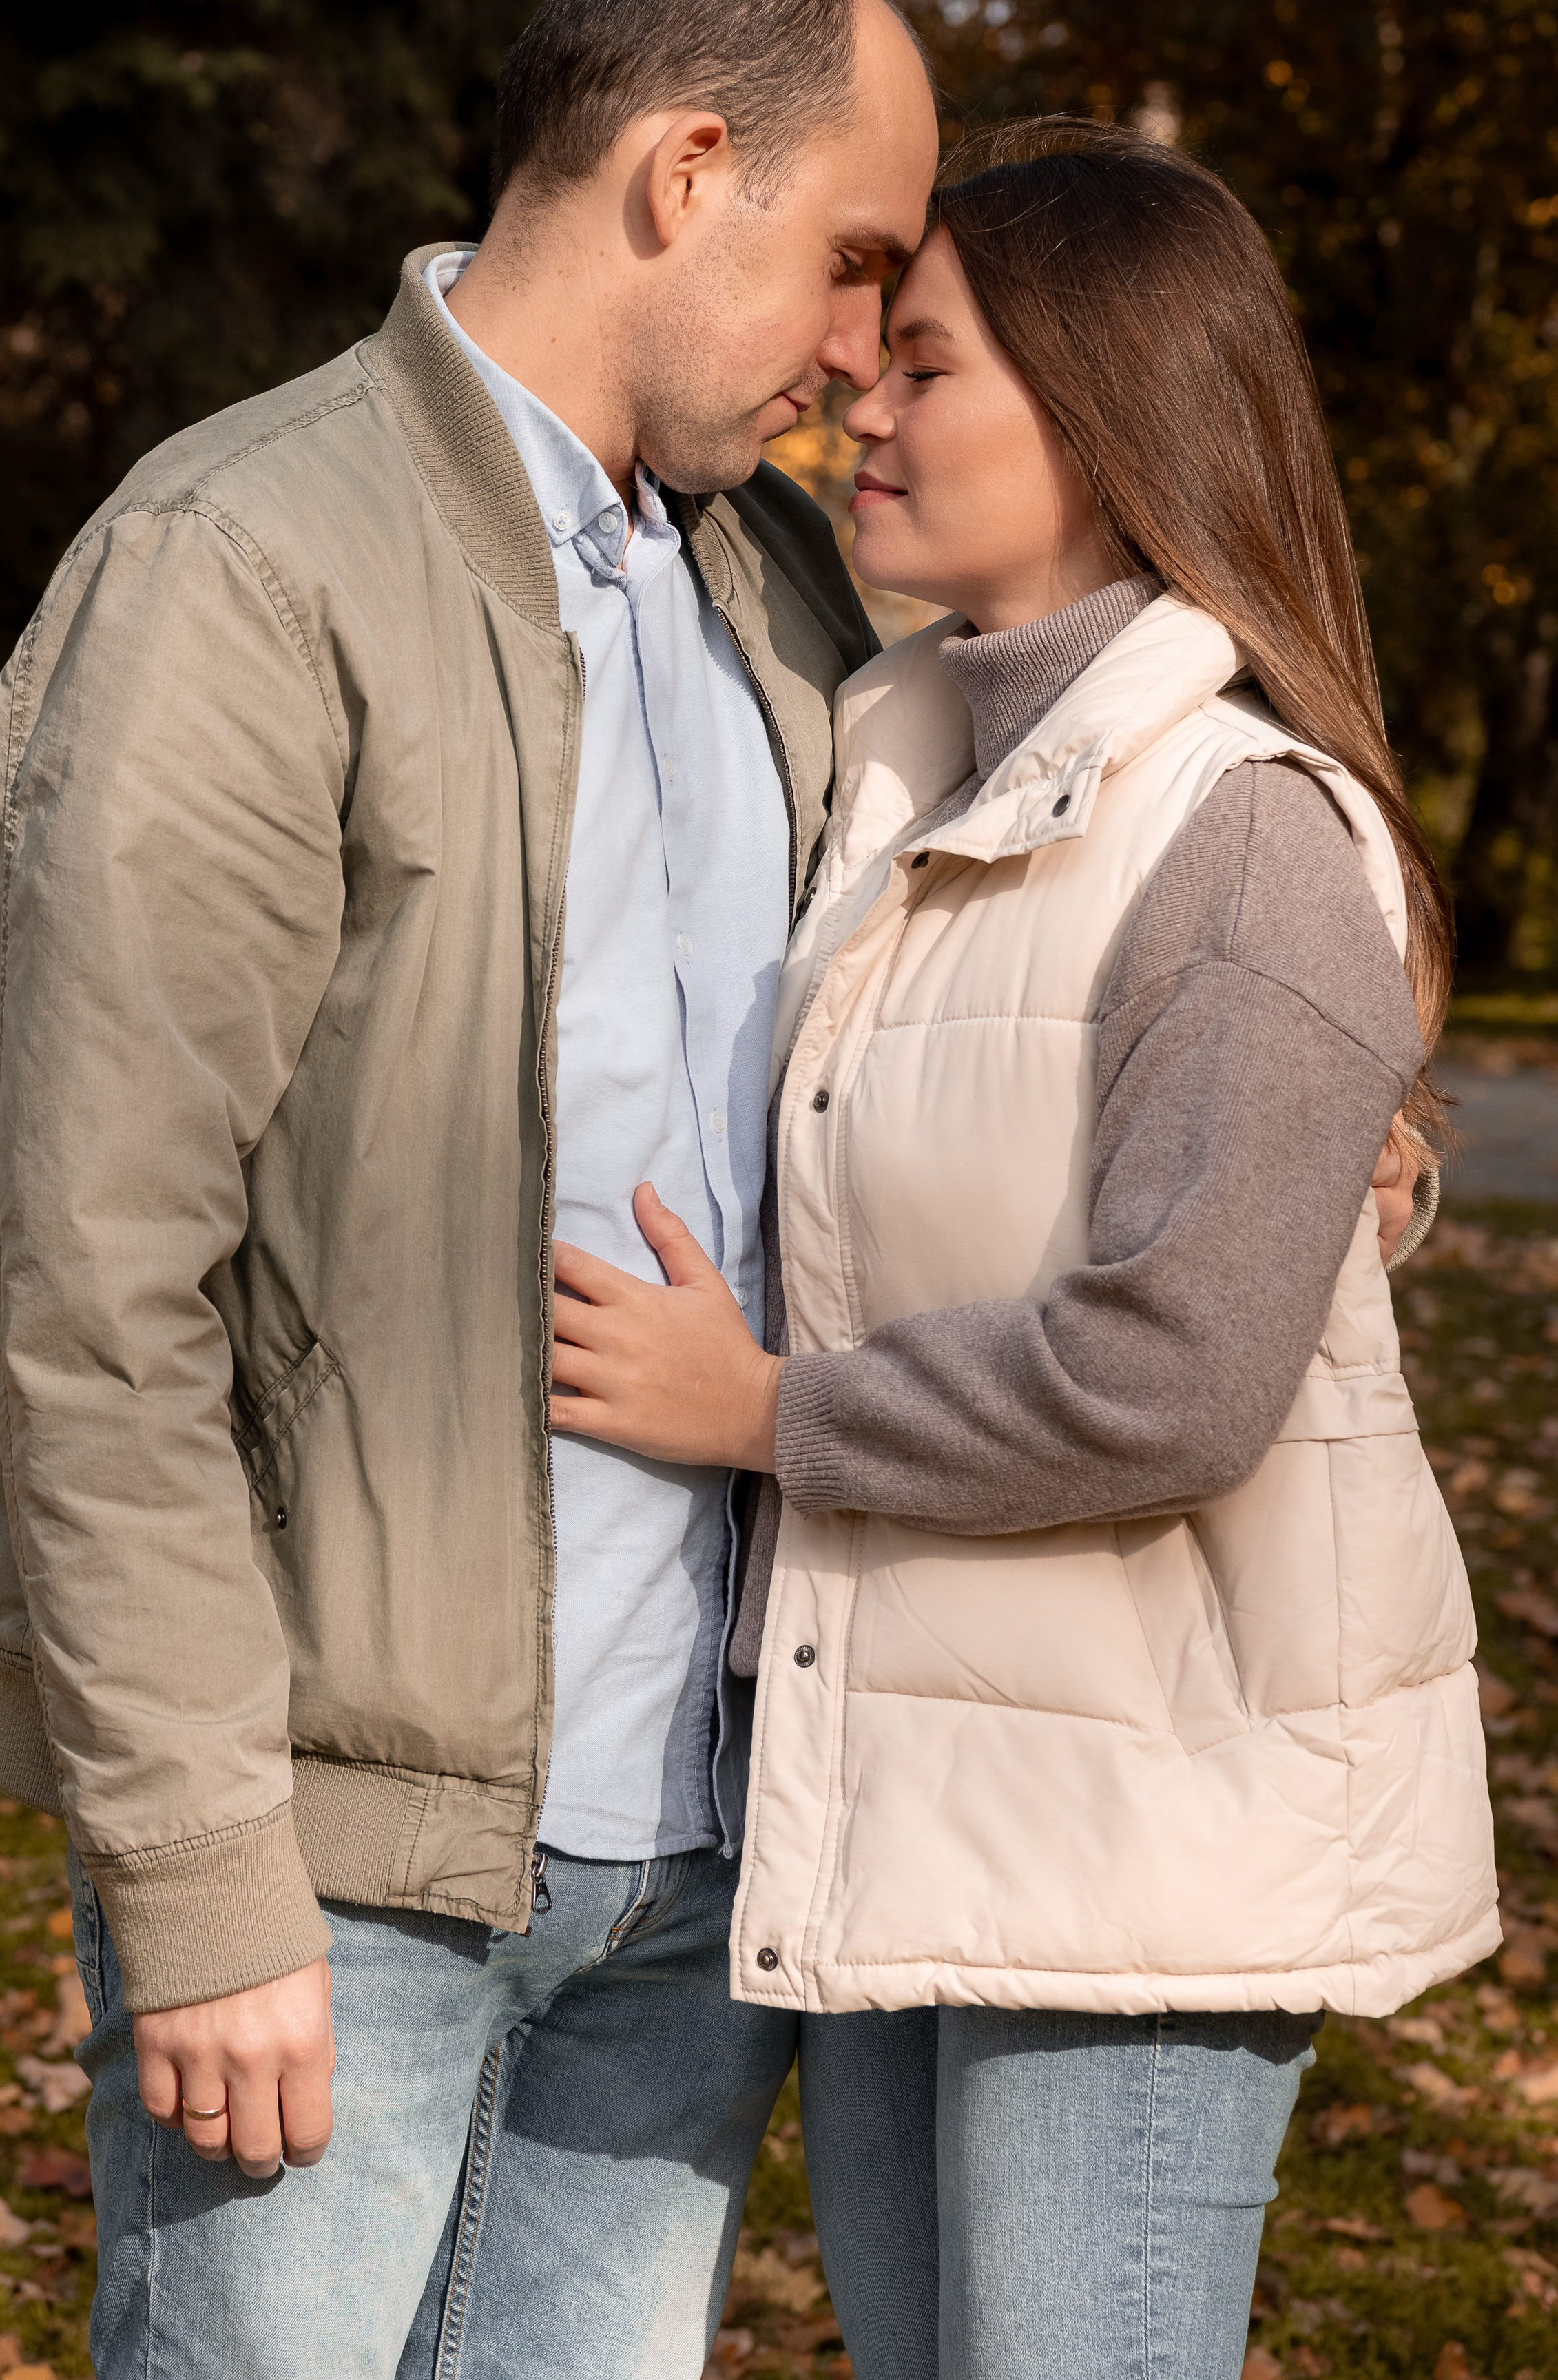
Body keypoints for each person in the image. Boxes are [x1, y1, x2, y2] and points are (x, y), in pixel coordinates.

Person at [0, 0, 938, 2377]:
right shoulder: (246, 569)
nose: (856, 352)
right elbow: (92, 1295)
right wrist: (198, 1877)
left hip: (688, 1866)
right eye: (846, 265)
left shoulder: (781, 595)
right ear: (679, 166)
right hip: (335, 1874)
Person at [546, 119, 1499, 2379]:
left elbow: (1174, 1369)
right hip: (919, 1808)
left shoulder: (1242, 827)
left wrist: (761, 1412)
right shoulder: (919, 781)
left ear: (1104, 416)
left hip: (1145, 1849)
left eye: (927, 366)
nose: (858, 406)